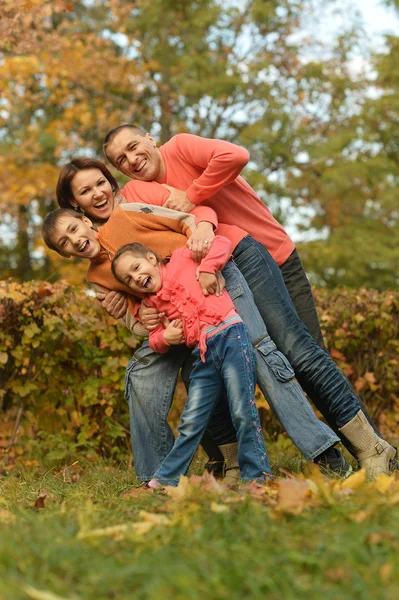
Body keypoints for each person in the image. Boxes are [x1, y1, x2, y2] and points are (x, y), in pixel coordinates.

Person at [102, 126, 393, 464]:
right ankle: (231, 464)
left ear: (150, 139)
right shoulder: (139, 190)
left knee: (305, 356)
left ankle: (374, 451)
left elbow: (235, 155)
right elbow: (136, 241)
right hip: (228, 272)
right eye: (121, 159)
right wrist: (128, 305)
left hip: (270, 255)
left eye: (134, 147)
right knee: (226, 367)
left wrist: (193, 194)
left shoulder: (180, 147)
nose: (132, 159)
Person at [42, 202, 395, 481]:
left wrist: (208, 264)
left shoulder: (127, 217)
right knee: (201, 383)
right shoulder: (98, 278)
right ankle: (230, 466)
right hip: (194, 326)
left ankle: (327, 453)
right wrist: (149, 326)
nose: (74, 240)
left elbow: (190, 220)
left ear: (84, 219)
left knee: (264, 358)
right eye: (64, 243)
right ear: (65, 254)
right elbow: (134, 320)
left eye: (73, 229)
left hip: (215, 284)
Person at [111, 238, 271, 486]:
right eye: (129, 280)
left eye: (135, 268)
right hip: (203, 353)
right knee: (191, 419)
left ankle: (257, 477)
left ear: (151, 259)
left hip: (231, 336)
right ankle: (167, 479)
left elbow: (221, 242)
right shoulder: (151, 304)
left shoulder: (182, 258)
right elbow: (154, 340)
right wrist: (166, 337)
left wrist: (208, 268)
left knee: (241, 410)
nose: (135, 278)